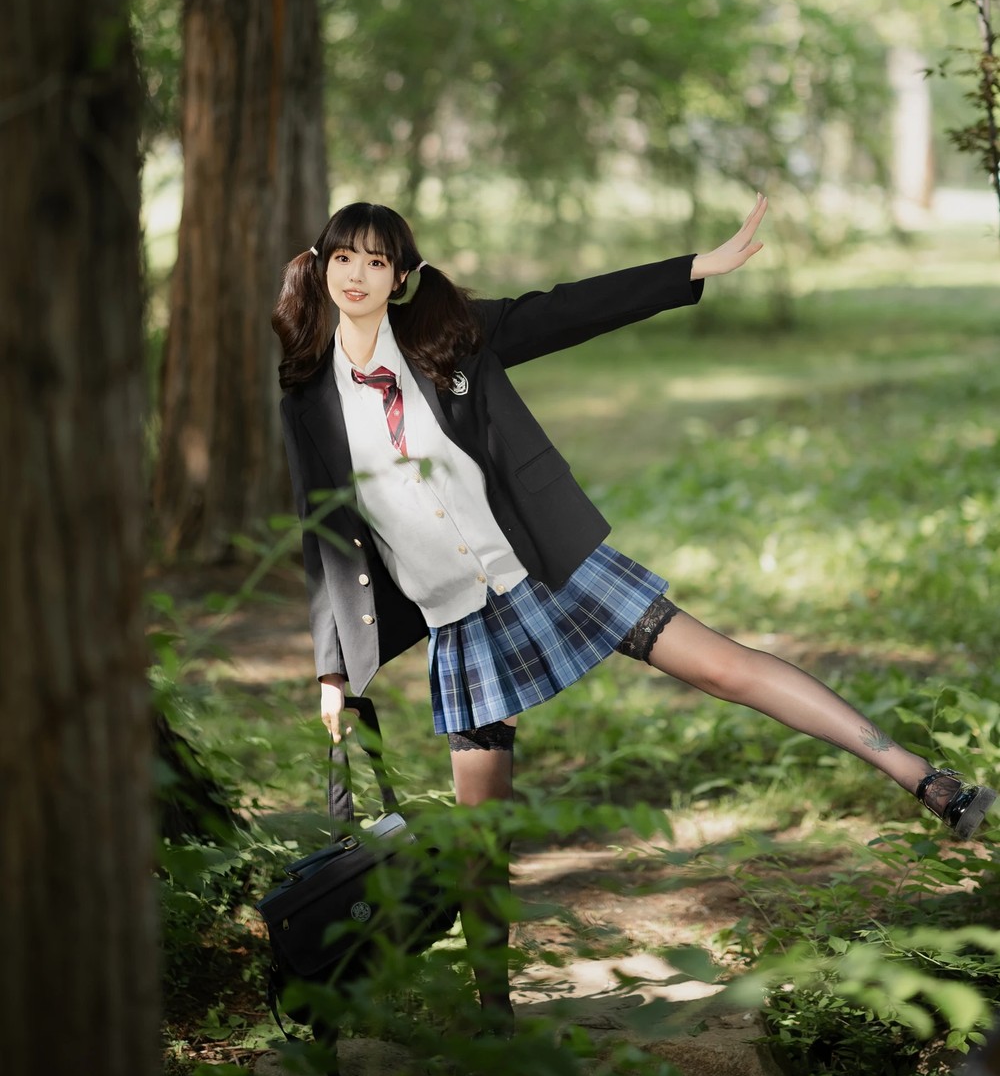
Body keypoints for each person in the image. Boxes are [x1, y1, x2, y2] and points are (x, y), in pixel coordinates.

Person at [271, 197, 994, 1018]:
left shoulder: (448, 335)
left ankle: (927, 781)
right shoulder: (309, 399)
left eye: (376, 261)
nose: (357, 276)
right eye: (344, 258)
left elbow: (569, 309)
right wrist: (332, 668)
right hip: (458, 619)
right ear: (322, 266)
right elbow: (322, 532)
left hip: (544, 566)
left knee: (724, 668)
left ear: (400, 276)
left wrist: (694, 269)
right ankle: (493, 1020)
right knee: (481, 837)